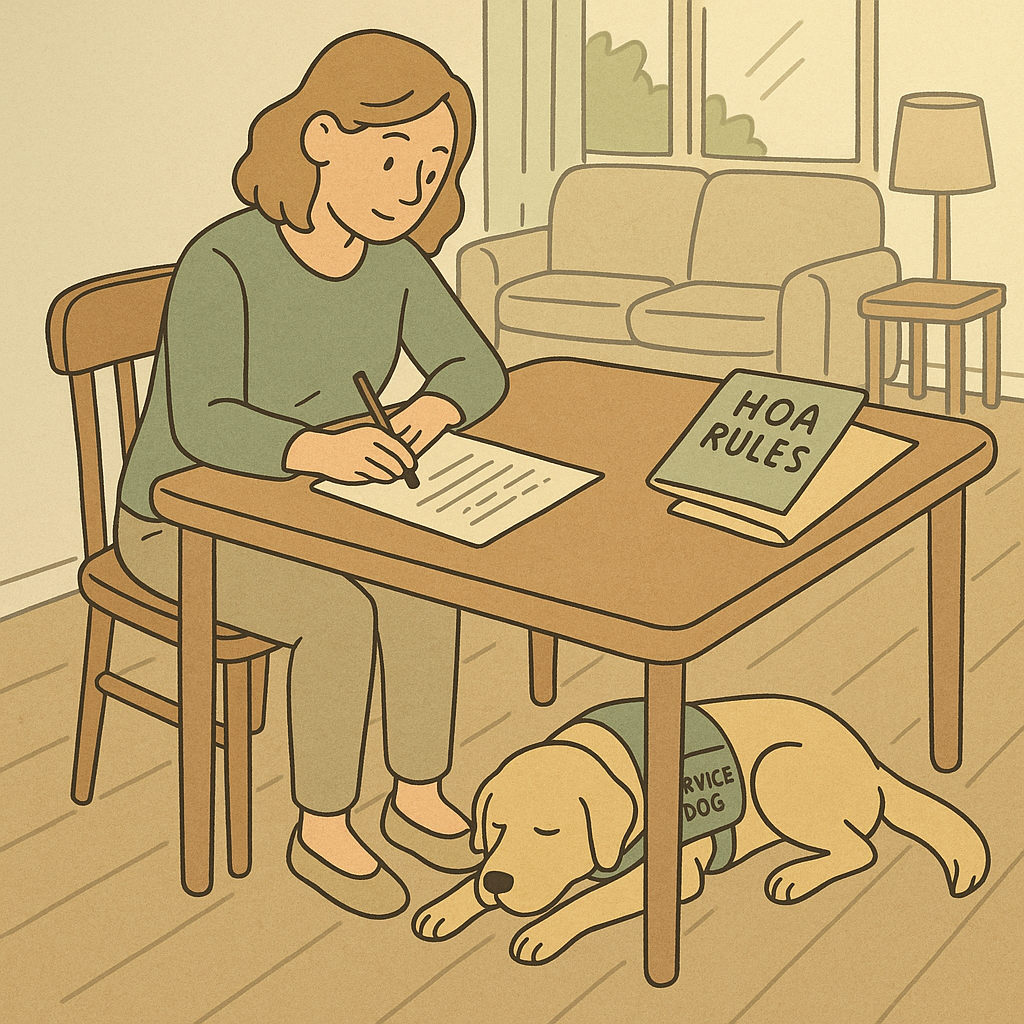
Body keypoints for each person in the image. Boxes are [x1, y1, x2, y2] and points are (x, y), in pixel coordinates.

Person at [114, 30, 508, 918]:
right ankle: (322, 826)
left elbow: (477, 369)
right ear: (322, 137)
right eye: (394, 155)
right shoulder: (223, 260)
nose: (413, 186)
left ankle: (416, 793)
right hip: (181, 520)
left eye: (434, 166)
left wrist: (432, 409)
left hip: (315, 504)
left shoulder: (395, 260)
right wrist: (316, 450)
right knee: (336, 616)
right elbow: (202, 422)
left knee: (422, 576)